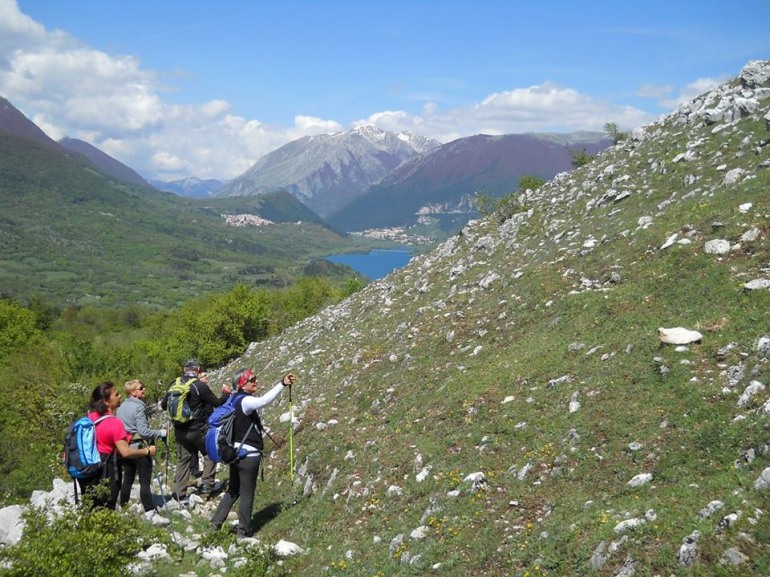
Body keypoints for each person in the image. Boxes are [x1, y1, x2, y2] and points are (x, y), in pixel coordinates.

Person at [211, 368, 296, 538]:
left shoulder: (233, 399)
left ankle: (214, 526)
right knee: (247, 495)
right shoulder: (245, 401)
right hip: (248, 455)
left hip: (235, 452)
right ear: (242, 384)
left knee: (233, 491)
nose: (256, 381)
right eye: (252, 380)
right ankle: (243, 532)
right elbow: (264, 401)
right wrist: (281, 384)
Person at [78, 381, 158, 509]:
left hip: (88, 470)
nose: (120, 396)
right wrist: (147, 451)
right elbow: (125, 452)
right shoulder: (114, 423)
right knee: (107, 507)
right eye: (116, 394)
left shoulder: (89, 418)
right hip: (107, 469)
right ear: (106, 401)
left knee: (91, 507)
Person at [161, 359, 230, 500]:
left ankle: (179, 493)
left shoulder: (174, 384)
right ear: (198, 369)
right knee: (209, 453)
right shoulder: (199, 386)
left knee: (183, 459)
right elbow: (216, 403)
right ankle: (206, 487)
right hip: (197, 428)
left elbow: (163, 405)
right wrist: (225, 394)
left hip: (179, 429)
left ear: (184, 369)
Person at [116, 379, 166, 512]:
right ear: (133, 392)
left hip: (126, 447)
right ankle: (149, 509)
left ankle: (124, 506)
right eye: (141, 388)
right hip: (141, 447)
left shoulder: (120, 408)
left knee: (128, 478)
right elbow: (143, 431)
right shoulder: (139, 407)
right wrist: (160, 433)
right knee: (144, 480)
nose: (144, 390)